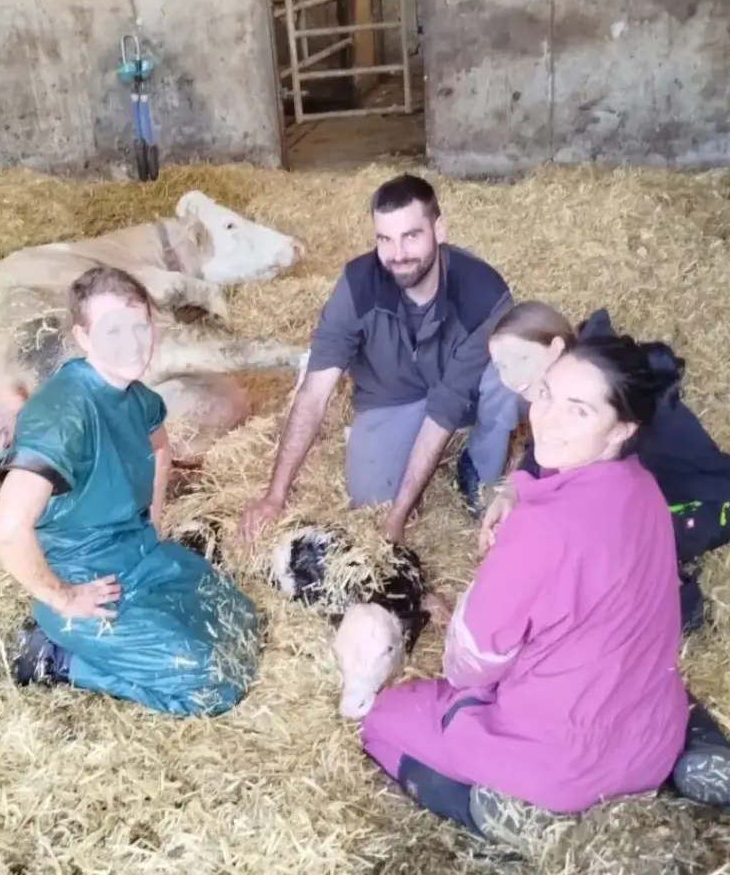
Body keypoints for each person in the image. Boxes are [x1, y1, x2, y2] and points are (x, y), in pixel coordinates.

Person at [359, 334, 728, 852]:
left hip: (561, 762)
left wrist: (474, 604)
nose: (547, 418)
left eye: (578, 410)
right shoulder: (642, 488)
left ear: (622, 427)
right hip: (648, 739)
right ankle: (696, 744)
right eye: (547, 394)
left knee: (386, 720)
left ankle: (493, 810)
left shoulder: (543, 530)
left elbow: (470, 663)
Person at [0, 265, 260, 718]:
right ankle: (58, 658)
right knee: (214, 681)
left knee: (242, 621)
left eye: (141, 326)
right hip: (86, 581)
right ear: (84, 337)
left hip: (139, 555)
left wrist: (152, 521)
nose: (133, 343)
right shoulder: (63, 416)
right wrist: (64, 596)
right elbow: (6, 528)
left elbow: (160, 449)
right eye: (114, 329)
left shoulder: (136, 396)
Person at [238, 173, 521, 543]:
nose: (398, 254)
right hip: (393, 396)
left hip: (463, 395)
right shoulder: (359, 284)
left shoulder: (484, 293)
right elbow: (315, 393)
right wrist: (274, 498)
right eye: (385, 239)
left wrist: (398, 521)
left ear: (439, 229)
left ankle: (479, 471)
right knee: (370, 500)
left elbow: (445, 409)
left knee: (507, 372)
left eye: (411, 235)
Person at [482, 300, 730, 637]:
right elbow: (544, 449)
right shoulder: (573, 378)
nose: (511, 378)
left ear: (555, 346)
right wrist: (514, 488)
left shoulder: (610, 417)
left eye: (521, 359)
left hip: (701, 502)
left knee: (610, 546)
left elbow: (610, 502)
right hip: (650, 490)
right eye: (500, 366)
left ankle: (677, 597)